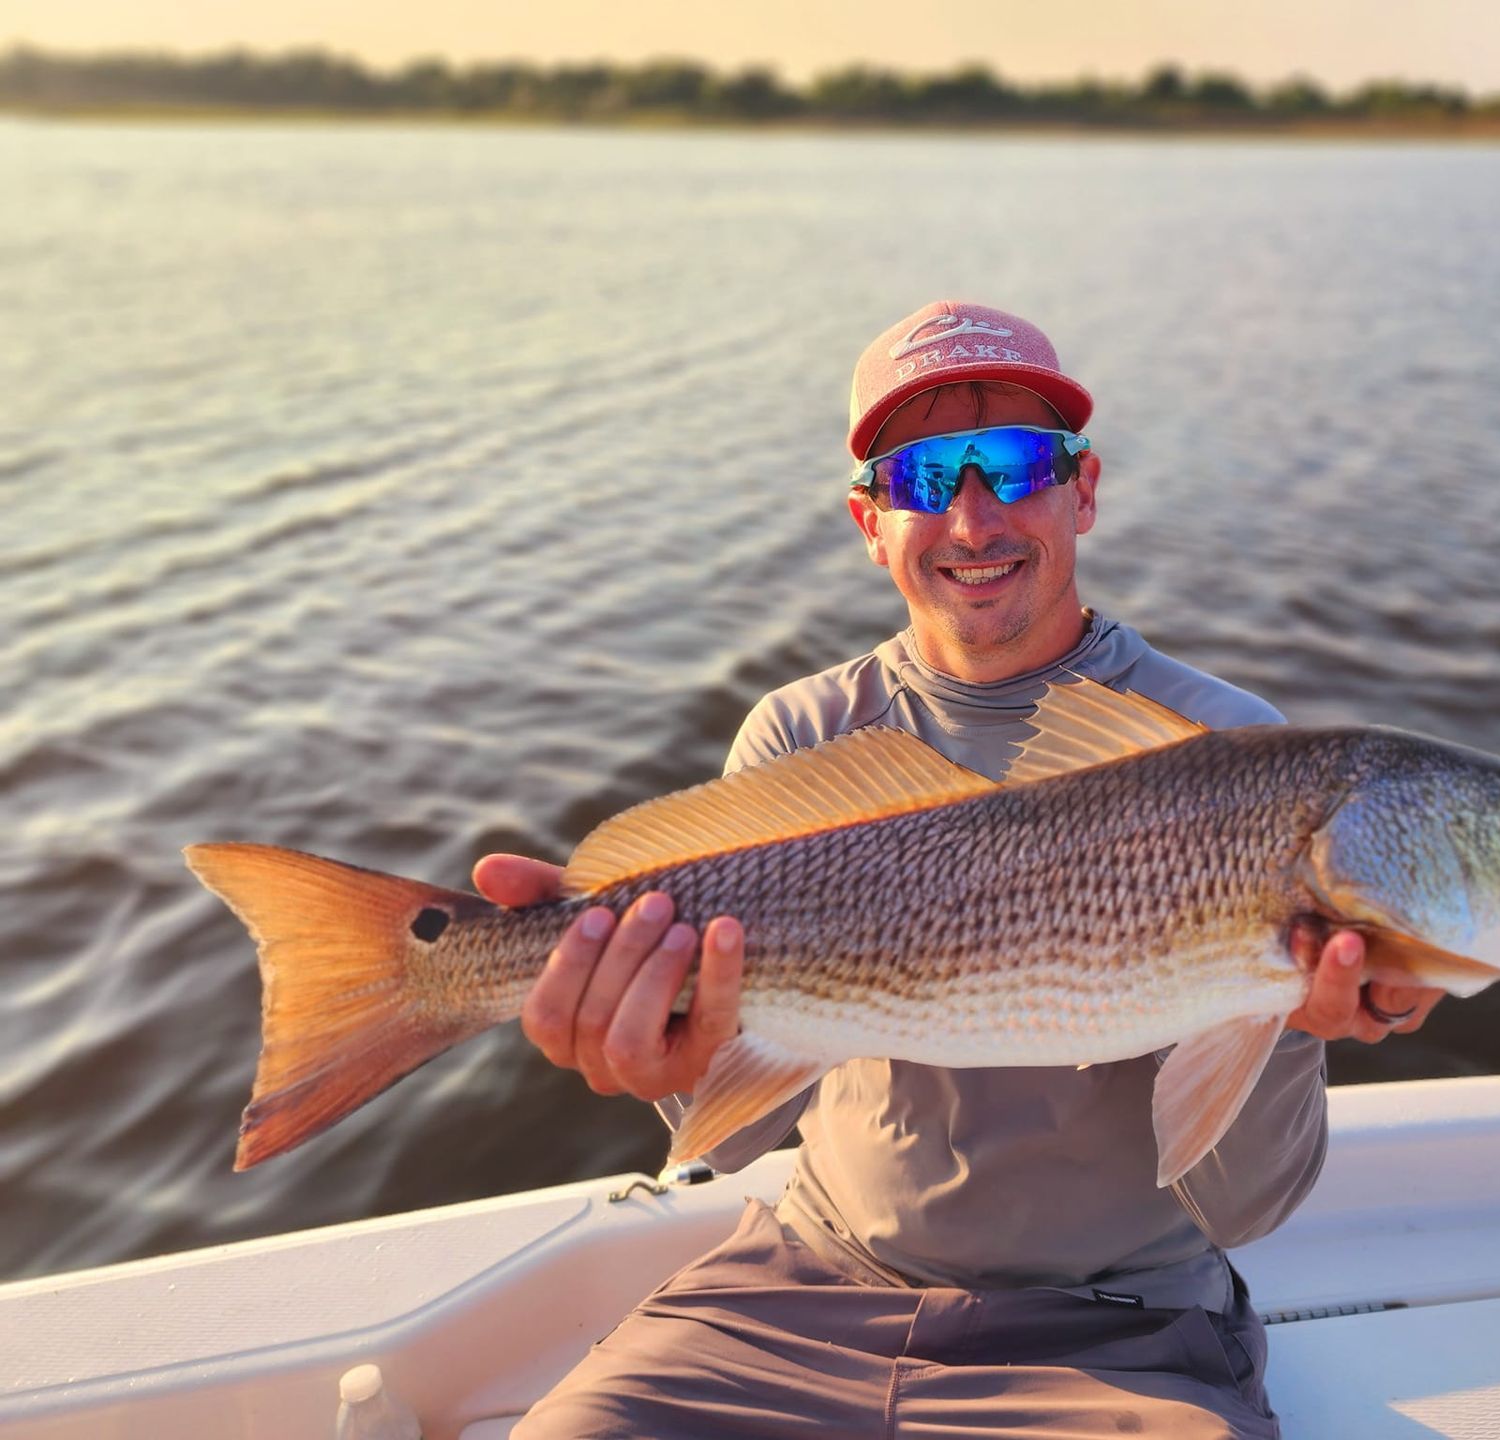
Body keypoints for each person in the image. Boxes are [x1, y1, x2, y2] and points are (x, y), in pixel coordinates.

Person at [486, 302, 1446, 1438]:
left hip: (1119, 1333)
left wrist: (1288, 1007)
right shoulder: (799, 736)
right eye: (924, 474)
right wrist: (651, 1048)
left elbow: (1244, 1205)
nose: (973, 513)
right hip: (799, 1291)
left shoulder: (1224, 751)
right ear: (869, 520)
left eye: (1018, 464)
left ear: (1082, 491)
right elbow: (733, 1135)